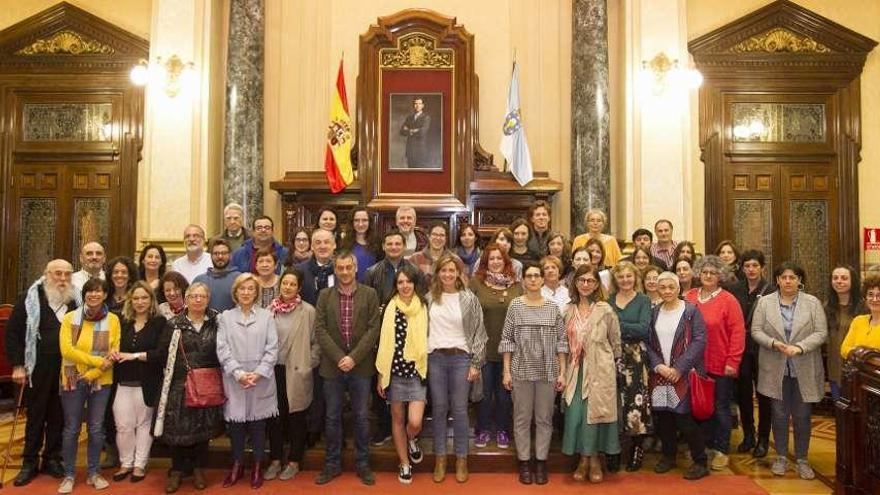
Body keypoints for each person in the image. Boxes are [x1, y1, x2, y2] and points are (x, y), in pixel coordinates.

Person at [751, 262, 827, 480]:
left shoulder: (812, 303)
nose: (787, 281)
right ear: (777, 280)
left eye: (792, 277)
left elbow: (821, 333)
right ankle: (781, 457)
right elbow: (755, 330)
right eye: (783, 277)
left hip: (804, 366)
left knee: (803, 415)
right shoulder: (765, 303)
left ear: (799, 280)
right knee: (779, 414)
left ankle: (802, 459)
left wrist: (800, 347)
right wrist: (775, 343)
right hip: (775, 367)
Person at [5, 260, 78, 486]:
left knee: (59, 414)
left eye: (67, 274)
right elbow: (13, 333)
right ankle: (29, 462)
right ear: (47, 274)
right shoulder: (29, 298)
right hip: (37, 367)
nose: (63, 279)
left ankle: (52, 459)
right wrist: (18, 365)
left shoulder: (76, 300)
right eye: (58, 274)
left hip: (67, 368)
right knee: (36, 415)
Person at [314, 251, 381, 486]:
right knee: (332, 417)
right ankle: (332, 463)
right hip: (332, 367)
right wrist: (339, 357)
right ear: (335, 269)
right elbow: (320, 329)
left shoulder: (370, 294)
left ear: (355, 269)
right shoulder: (324, 295)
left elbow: (374, 328)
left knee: (362, 417)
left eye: (348, 267)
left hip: (361, 366)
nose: (344, 272)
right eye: (340, 268)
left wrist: (353, 358)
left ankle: (363, 463)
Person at [153, 283, 225, 493]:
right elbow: (163, 355)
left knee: (203, 429)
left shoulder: (216, 323)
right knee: (177, 430)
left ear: (208, 298)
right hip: (179, 384)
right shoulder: (174, 324)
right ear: (186, 298)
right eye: (193, 296)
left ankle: (198, 469)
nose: (198, 300)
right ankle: (176, 470)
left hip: (207, 384)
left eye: (202, 296)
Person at [500, 264, 568, 485]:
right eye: (528, 276)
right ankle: (524, 462)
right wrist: (506, 371)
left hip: (548, 372)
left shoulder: (552, 307)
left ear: (542, 280)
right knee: (521, 418)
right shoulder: (515, 306)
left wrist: (562, 372)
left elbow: (562, 342)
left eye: (536, 276)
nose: (532, 279)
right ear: (523, 281)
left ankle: (540, 462)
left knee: (544, 419)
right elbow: (507, 340)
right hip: (520, 371)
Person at [426, 254, 487, 483]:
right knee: (439, 409)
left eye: (452, 270)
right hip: (435, 359)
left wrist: (476, 363)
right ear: (438, 273)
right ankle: (440, 458)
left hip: (461, 358)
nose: (448, 274)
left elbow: (479, 334)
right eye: (444, 270)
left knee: (460, 410)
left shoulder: (468, 298)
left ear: (459, 273)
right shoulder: (429, 298)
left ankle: (462, 458)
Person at [58, 278, 121, 493]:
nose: (94, 295)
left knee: (96, 428)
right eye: (90, 291)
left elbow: (113, 352)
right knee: (71, 428)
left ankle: (94, 473)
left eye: (99, 291)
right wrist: (96, 362)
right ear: (84, 295)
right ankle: (68, 475)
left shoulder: (113, 320)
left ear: (105, 295)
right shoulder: (69, 319)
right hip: (71, 379)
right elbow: (67, 351)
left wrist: (93, 373)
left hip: (101, 381)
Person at [216, 273, 279, 489]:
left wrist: (258, 373)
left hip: (260, 379)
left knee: (258, 425)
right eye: (242, 288)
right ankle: (237, 463)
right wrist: (239, 373)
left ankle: (258, 466)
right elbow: (222, 349)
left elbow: (272, 349)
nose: (246, 292)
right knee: (236, 426)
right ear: (235, 292)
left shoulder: (267, 316)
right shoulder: (225, 317)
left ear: (256, 293)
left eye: (250, 289)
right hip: (235, 379)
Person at [683, 255, 745, 471]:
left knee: (720, 408)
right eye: (705, 272)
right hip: (693, 364)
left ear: (720, 276)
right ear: (699, 274)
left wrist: (733, 361)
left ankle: (721, 449)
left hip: (720, 364)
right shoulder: (689, 296)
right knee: (698, 407)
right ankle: (703, 446)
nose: (708, 276)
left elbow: (738, 333)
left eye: (713, 273)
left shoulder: (729, 300)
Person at [364, 230, 426, 445]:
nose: (393, 247)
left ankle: (411, 434)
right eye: (389, 243)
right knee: (383, 388)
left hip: (410, 333)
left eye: (397, 243)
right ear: (383, 246)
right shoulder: (372, 272)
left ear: (403, 246)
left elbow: (422, 300)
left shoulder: (414, 271)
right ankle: (384, 427)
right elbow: (368, 303)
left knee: (413, 394)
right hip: (382, 334)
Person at [646, 272, 710, 480]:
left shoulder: (690, 311)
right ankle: (668, 456)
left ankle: (700, 461)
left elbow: (699, 341)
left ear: (678, 289)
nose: (666, 291)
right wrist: (658, 366)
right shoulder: (654, 312)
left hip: (683, 375)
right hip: (661, 375)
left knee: (684, 419)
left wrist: (679, 368)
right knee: (664, 418)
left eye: (670, 287)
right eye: (662, 287)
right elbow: (647, 343)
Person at [562, 264, 621, 484]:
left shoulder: (605, 309)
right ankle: (582, 460)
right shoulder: (567, 310)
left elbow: (615, 342)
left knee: (595, 416)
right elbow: (562, 343)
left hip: (599, 371)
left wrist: (608, 365)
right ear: (575, 283)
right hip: (575, 371)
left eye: (590, 281)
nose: (585, 284)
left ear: (597, 284)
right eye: (581, 280)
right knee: (576, 414)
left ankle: (594, 460)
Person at [376, 266, 429, 484]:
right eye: (400, 282)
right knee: (397, 419)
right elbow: (382, 342)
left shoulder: (424, 306)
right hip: (394, 372)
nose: (405, 286)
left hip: (417, 371)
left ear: (415, 284)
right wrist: (381, 374)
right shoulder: (388, 308)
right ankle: (404, 463)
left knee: (414, 421)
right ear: (395, 286)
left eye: (408, 282)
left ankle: (411, 438)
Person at [265, 268, 319, 481]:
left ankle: (295, 461)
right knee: (275, 419)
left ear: (298, 288)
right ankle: (276, 460)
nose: (287, 287)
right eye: (284, 283)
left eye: (292, 284)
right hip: (273, 371)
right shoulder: (269, 310)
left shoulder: (308, 311)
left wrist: (308, 363)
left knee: (297, 417)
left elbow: (317, 343)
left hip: (297, 371)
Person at [109, 281, 166, 483]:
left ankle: (140, 465)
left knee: (144, 425)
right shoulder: (120, 322)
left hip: (147, 383)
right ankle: (126, 463)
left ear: (151, 300)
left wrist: (133, 356)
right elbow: (111, 345)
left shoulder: (160, 322)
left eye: (144, 298)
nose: (140, 302)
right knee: (123, 425)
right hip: (122, 382)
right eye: (136, 298)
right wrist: (113, 352)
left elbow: (160, 354)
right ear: (130, 301)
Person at [470, 244, 522, 450]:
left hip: (510, 351)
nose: (496, 262)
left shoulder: (517, 286)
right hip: (483, 349)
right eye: (491, 259)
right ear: (485, 262)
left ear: (506, 261)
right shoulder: (476, 283)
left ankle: (501, 429)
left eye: (499, 258)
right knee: (484, 392)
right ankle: (482, 429)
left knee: (504, 394)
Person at [608, 261, 652, 472]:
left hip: (635, 358)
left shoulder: (643, 300)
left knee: (636, 403)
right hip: (611, 356)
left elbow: (643, 329)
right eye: (620, 277)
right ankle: (613, 449)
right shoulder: (608, 301)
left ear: (635, 278)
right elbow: (606, 330)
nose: (625, 280)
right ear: (615, 280)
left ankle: (636, 449)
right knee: (614, 403)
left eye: (629, 276)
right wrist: (625, 328)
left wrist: (617, 324)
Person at [730, 249, 775, 458]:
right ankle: (749, 434)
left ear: (762, 268)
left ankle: (764, 439)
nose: (751, 269)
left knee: (765, 395)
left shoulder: (772, 290)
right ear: (742, 268)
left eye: (755, 265)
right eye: (747, 266)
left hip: (765, 350)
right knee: (743, 395)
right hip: (741, 350)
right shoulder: (734, 289)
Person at [825, 265, 862, 400]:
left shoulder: (864, 308)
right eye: (835, 278)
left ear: (853, 281)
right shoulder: (827, 307)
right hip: (834, 368)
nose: (839, 281)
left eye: (844, 278)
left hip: (857, 371)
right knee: (840, 410)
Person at [409, 222, 468, 286]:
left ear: (446, 238)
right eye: (434, 234)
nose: (438, 238)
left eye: (442, 235)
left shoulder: (456, 260)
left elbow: (464, 286)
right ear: (429, 236)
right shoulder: (415, 259)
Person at [193, 238, 241, 312]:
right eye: (216, 253)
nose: (220, 257)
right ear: (211, 256)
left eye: (224, 253)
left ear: (230, 255)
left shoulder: (240, 279)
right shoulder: (200, 280)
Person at [341, 206, 382, 282]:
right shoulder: (343, 244)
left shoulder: (378, 243)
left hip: (372, 289)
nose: (360, 224)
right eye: (356, 220)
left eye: (364, 220)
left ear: (370, 222)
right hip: (350, 287)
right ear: (352, 222)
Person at [297, 228, 336, 306]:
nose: (322, 246)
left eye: (326, 242)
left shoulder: (343, 270)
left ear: (334, 245)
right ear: (312, 246)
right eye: (318, 243)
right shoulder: (299, 270)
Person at [399, 97, 432, 168]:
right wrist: (413, 130)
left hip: (420, 151)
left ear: (423, 105)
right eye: (415, 104)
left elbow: (422, 132)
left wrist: (408, 130)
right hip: (410, 150)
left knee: (420, 174)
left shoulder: (426, 117)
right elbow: (401, 131)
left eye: (419, 104)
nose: (417, 106)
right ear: (413, 105)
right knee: (410, 173)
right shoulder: (409, 118)